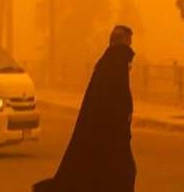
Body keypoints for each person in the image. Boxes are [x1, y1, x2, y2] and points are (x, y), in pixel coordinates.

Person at [34, 26, 136, 192]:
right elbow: (114, 104)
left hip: (113, 137)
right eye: (128, 45)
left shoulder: (106, 66)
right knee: (122, 173)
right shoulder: (115, 66)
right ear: (120, 44)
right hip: (112, 137)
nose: (130, 51)